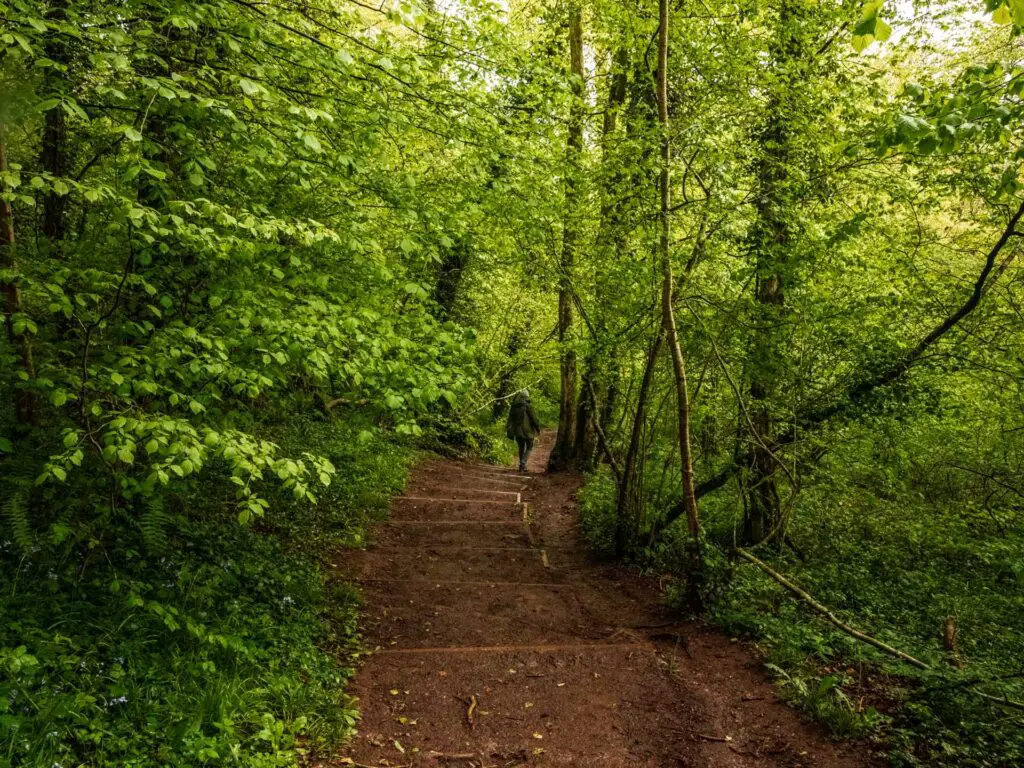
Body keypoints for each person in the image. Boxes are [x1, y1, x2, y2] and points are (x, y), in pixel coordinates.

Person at [505, 390, 541, 472]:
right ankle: (523, 463)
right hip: (527, 431)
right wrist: (538, 428)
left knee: (521, 447)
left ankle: (521, 467)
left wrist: (509, 430)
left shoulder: (513, 407)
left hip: (517, 431)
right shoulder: (528, 406)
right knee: (529, 446)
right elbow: (534, 419)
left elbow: (510, 420)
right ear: (526, 397)